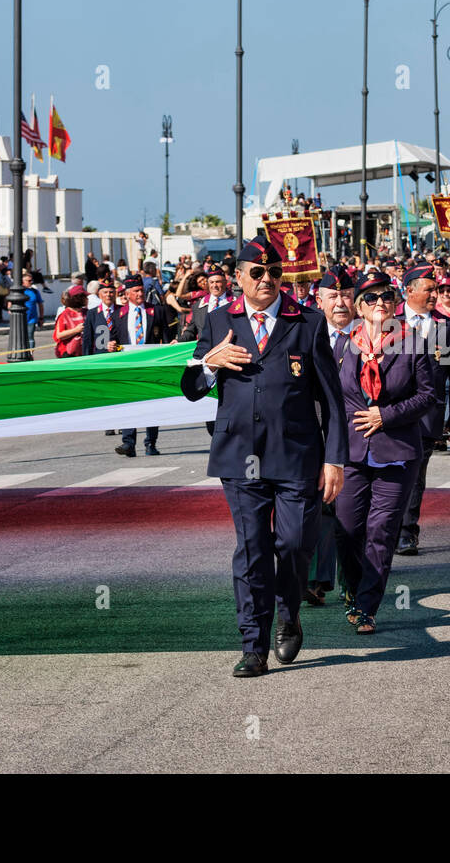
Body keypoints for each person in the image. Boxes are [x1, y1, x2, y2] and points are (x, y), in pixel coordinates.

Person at [180, 236, 346, 678]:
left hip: (296, 456)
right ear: (238, 277)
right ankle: (253, 644)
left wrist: (335, 460)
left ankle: (288, 612)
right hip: (240, 456)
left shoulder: (307, 322)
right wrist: (209, 363)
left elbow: (331, 399)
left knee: (293, 545)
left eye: (274, 272)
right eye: (257, 272)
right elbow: (191, 389)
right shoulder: (217, 321)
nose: (267, 279)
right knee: (252, 550)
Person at [333, 272, 434, 635]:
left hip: (397, 451)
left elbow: (427, 396)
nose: (380, 304)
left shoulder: (412, 344)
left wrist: (385, 415)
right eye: (371, 299)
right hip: (352, 449)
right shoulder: (344, 346)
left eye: (386, 298)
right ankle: (354, 585)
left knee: (381, 529)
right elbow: (335, 398)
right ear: (359, 307)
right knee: (345, 529)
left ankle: (366, 605)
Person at [396, 265, 450, 556]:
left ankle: (407, 533)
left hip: (427, 416)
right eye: (429, 289)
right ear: (409, 290)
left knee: (415, 476)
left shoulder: (447, 328)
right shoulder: (389, 322)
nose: (434, 295)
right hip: (390, 414)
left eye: (436, 290)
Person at [305, 266, 358, 607]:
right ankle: (318, 578)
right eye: (333, 296)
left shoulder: (370, 334)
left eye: (346, 296)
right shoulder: (306, 332)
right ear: (319, 300)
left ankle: (351, 577)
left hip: (359, 432)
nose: (340, 303)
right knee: (322, 505)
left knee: (353, 510)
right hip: (316, 430)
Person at [113, 275, 170, 457]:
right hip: (128, 366)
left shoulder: (156, 311)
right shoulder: (119, 315)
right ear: (127, 294)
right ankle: (128, 443)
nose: (140, 294)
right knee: (129, 404)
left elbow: (167, 337)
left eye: (141, 291)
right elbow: (111, 340)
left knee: (153, 405)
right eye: (136, 291)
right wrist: (110, 346)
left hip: (152, 365)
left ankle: (151, 443)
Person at [82, 277, 119, 355]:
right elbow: (87, 340)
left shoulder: (122, 311)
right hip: (100, 357)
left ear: (115, 294)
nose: (108, 295)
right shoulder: (92, 314)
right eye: (105, 292)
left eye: (111, 292)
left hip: (120, 356)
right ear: (99, 294)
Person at [52, 285, 87, 358]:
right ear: (78, 298)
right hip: (68, 353)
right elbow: (59, 335)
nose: (87, 299)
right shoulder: (64, 315)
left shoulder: (86, 312)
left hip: (84, 351)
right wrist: (76, 330)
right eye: (85, 297)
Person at [21, 271, 46, 352]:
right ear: (23, 281)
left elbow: (40, 304)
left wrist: (41, 317)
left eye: (31, 280)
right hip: (21, 318)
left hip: (32, 318)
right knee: (20, 337)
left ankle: (30, 354)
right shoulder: (19, 291)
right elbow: (10, 304)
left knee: (30, 337)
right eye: (28, 281)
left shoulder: (35, 291)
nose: (31, 282)